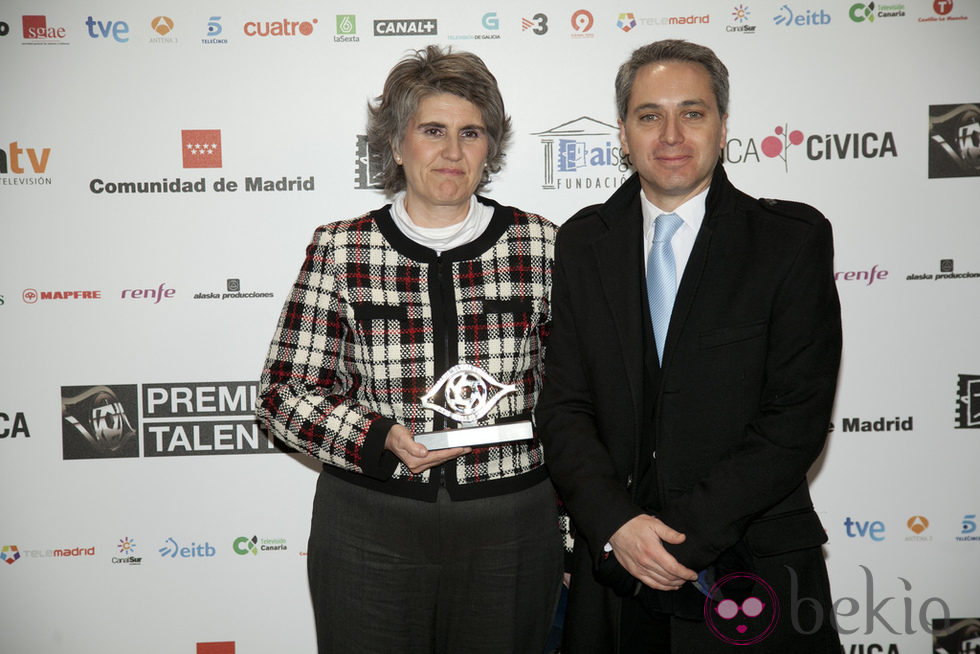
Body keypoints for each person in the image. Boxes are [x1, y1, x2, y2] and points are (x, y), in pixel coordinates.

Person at [535, 39, 843, 653]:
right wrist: (616, 527)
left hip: (749, 562)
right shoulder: (582, 243)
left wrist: (673, 539)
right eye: (650, 115)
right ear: (622, 133)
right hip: (616, 576)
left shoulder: (789, 241)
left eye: (693, 113)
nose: (671, 134)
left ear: (724, 126)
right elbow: (564, 408)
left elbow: (795, 418)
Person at [257, 46, 564, 653]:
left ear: (490, 147)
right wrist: (377, 437)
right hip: (370, 524)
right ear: (397, 144)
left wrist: (576, 530)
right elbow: (283, 394)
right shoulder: (343, 249)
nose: (452, 152)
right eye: (432, 131)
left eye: (470, 133)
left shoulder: (543, 244)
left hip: (510, 524)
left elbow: (576, 396)